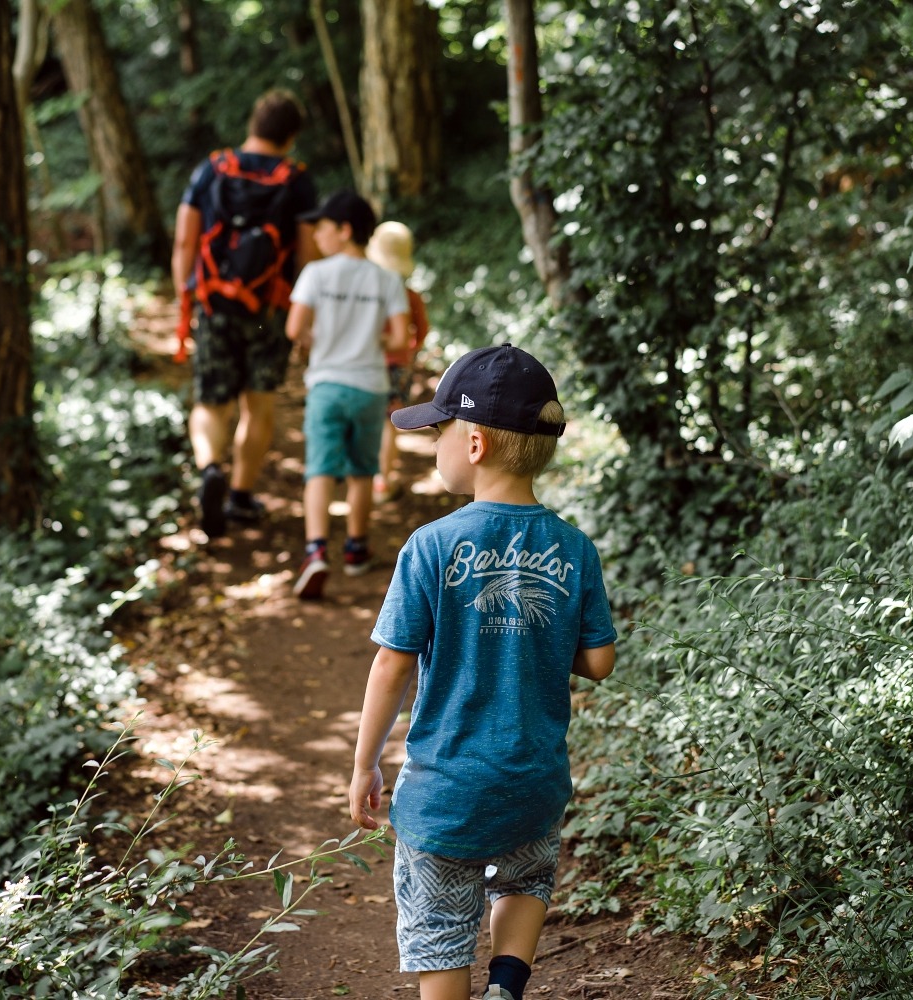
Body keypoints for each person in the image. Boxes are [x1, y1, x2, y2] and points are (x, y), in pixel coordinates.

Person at [347, 344, 618, 1000]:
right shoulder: (573, 548)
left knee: (439, 925)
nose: (433, 445)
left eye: (437, 433)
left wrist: (365, 765)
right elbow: (600, 662)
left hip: (446, 790)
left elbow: (392, 663)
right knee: (526, 881)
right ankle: (506, 984)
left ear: (473, 444)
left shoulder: (432, 546)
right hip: (534, 780)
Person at [171, 88, 318, 538]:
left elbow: (184, 241)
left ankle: (210, 467)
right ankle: (239, 496)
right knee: (258, 405)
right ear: (290, 135)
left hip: (214, 303)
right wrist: (302, 310)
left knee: (210, 402)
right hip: (268, 309)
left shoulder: (212, 170)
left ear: (253, 123)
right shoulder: (296, 179)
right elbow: (307, 253)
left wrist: (186, 296)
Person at [284, 190, 411, 600]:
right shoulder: (387, 279)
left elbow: (292, 329)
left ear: (344, 230)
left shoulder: (316, 274)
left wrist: (318, 338)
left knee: (320, 470)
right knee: (361, 471)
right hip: (371, 386)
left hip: (327, 384)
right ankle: (356, 550)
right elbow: (399, 339)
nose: (317, 235)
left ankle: (316, 551)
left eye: (322, 227)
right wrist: (368, 340)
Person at [366, 221, 430, 504]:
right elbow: (422, 330)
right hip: (398, 366)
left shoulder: (369, 293)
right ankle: (383, 480)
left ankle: (361, 476)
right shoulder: (410, 296)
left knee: (366, 419)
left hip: (368, 364)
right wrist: (409, 352)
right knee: (389, 423)